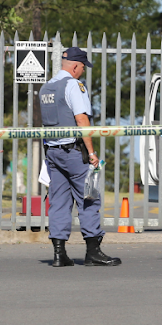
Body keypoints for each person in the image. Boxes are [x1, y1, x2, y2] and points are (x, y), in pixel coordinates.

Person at [40, 46, 121, 267]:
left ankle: (59, 254)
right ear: (75, 66)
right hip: (75, 153)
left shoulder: (46, 87)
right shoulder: (73, 86)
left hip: (53, 154)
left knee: (58, 202)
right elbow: (82, 120)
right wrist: (92, 153)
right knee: (89, 199)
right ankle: (93, 252)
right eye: (82, 68)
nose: (82, 72)